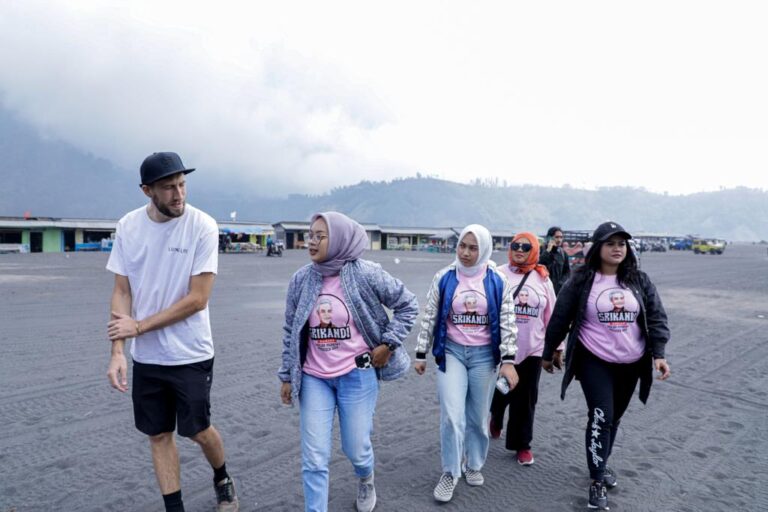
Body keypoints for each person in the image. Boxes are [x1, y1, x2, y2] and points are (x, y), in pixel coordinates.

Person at [105, 152, 239, 512]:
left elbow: (197, 299)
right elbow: (122, 291)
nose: (179, 194)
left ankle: (222, 477)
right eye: (168, 187)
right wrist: (118, 351)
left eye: (182, 185)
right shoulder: (129, 226)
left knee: (198, 430)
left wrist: (140, 326)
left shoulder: (202, 226)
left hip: (190, 352)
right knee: (158, 434)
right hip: (147, 358)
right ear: (147, 190)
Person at [278, 211, 418, 512]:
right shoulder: (301, 280)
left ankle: (366, 476)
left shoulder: (366, 273)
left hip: (358, 374)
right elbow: (290, 330)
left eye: (320, 236)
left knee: (356, 448)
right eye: (310, 235)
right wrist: (287, 375)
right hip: (314, 377)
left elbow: (408, 305)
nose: (311, 241)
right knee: (314, 457)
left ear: (339, 239)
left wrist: (388, 344)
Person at [541, 221, 671, 511]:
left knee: (614, 419)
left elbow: (656, 316)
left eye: (621, 244)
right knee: (601, 416)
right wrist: (549, 352)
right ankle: (597, 479)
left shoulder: (638, 280)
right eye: (610, 243)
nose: (617, 249)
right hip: (594, 360)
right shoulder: (582, 280)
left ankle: (601, 463)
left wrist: (659, 354)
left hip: (632, 362)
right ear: (598, 248)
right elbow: (560, 317)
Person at [414, 224, 518, 503]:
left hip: (484, 356)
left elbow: (508, 322)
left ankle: (473, 463)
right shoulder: (445, 277)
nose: (466, 253)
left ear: (483, 250)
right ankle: (450, 471)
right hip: (452, 354)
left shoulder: (497, 280)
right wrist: (421, 352)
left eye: (473, 248)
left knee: (478, 418)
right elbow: (430, 315)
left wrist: (508, 360)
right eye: (462, 246)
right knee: (451, 415)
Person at [489, 232, 559, 465]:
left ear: (535, 250)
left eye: (526, 247)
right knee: (500, 392)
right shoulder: (497, 274)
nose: (520, 250)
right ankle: (496, 417)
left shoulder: (543, 279)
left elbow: (551, 315)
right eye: (516, 245)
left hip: (533, 348)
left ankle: (522, 445)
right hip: (502, 348)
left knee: (526, 399)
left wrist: (557, 347)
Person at [538, 226, 571, 295]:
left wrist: (560, 284)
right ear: (549, 238)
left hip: (557, 291)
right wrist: (548, 251)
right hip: (542, 289)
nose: (559, 240)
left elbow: (567, 272)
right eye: (556, 237)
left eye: (561, 237)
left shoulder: (563, 253)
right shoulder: (541, 250)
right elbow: (538, 264)